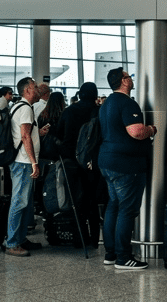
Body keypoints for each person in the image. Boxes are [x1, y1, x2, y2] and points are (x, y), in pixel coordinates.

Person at [98, 68, 154, 270]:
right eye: (129, 76)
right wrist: (152, 129)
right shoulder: (127, 103)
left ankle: (111, 254)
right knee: (127, 210)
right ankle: (123, 257)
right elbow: (137, 132)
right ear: (123, 81)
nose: (131, 78)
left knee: (113, 206)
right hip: (126, 165)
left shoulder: (106, 104)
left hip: (107, 161)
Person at [58, 81, 101, 245]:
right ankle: (95, 238)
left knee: (76, 201)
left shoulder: (69, 111)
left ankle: (80, 238)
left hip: (71, 161)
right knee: (93, 200)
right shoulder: (98, 112)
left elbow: (60, 133)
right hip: (92, 162)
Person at [4, 77, 42, 257]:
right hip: (24, 162)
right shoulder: (25, 108)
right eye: (34, 87)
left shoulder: (18, 106)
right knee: (19, 202)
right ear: (27, 90)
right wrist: (34, 162)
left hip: (20, 161)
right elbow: (25, 136)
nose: (37, 90)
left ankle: (20, 239)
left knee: (24, 202)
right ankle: (12, 242)